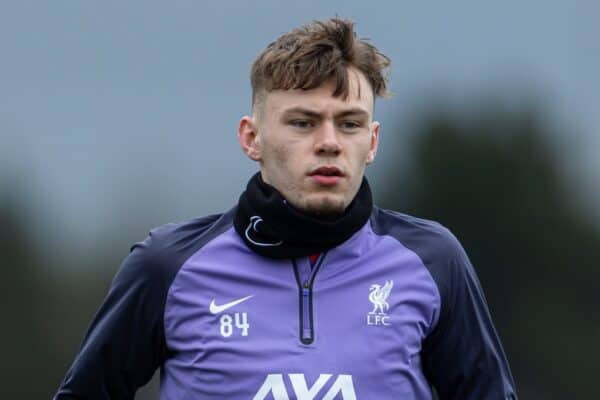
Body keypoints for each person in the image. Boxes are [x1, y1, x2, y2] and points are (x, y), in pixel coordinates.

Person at [55, 17, 517, 399]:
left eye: (350, 123)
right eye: (303, 122)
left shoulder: (434, 262)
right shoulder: (167, 266)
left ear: (372, 142)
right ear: (251, 138)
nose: (330, 143)